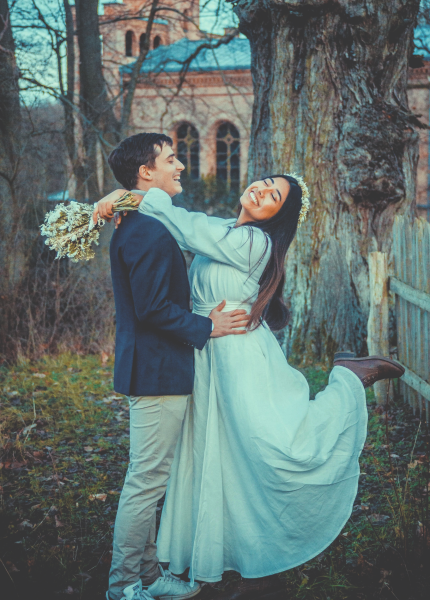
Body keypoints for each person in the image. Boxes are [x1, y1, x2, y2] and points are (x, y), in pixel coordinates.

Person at [95, 154, 404, 600]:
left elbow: (185, 225)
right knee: (220, 457)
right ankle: (234, 559)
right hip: (207, 356)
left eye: (273, 195)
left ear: (278, 214)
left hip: (239, 360)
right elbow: (176, 238)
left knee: (268, 449)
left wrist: (129, 196)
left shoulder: (255, 242)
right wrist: (126, 204)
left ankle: (348, 380)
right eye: (264, 182)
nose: (261, 190)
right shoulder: (227, 229)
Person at [105, 133, 251, 600]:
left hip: (158, 367)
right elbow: (151, 309)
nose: (180, 165)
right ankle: (124, 585)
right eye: (171, 159)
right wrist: (207, 326)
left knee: (151, 480)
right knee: (145, 482)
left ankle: (149, 576)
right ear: (145, 172)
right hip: (156, 370)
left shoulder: (143, 221)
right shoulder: (146, 230)